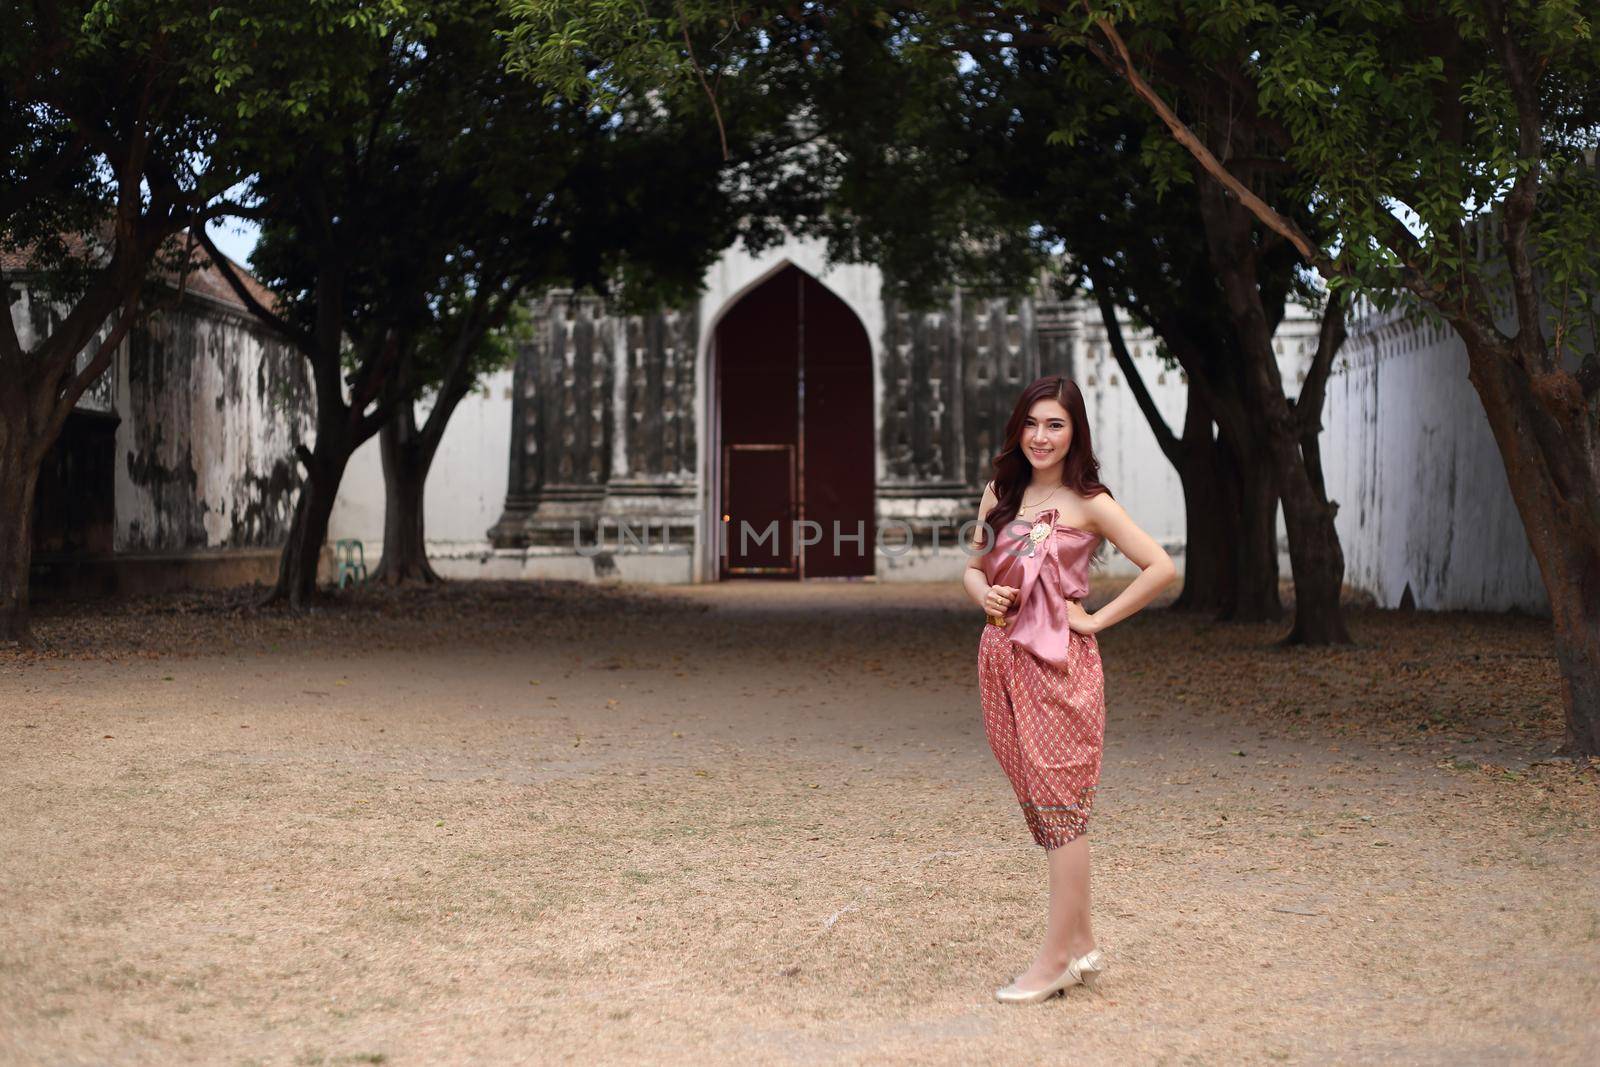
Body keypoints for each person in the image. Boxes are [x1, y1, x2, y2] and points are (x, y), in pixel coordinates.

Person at [964, 374, 1176, 1004]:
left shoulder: (1091, 502)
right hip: (1000, 658)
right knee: (1038, 802)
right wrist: (988, 597)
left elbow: (1161, 566)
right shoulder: (999, 493)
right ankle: (1082, 945)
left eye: (1055, 424)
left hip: (1058, 665)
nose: (1040, 436)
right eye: (1031, 423)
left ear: (1075, 431)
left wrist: (1093, 618)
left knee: (1062, 809)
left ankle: (1054, 960)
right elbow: (973, 571)